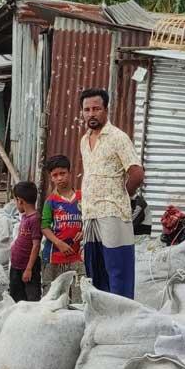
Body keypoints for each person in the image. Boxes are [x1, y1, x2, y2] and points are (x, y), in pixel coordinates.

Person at [75, 88, 144, 299]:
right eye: (87, 109)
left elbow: (136, 172)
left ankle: (123, 318)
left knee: (118, 269)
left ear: (106, 110)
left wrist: (124, 196)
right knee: (95, 270)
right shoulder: (85, 140)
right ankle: (104, 316)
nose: (91, 114)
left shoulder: (117, 138)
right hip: (90, 213)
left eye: (96, 108)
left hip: (113, 212)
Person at [40, 154, 84, 292]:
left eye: (63, 173)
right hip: (54, 257)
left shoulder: (82, 197)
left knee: (78, 294)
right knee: (53, 296)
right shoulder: (50, 201)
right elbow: (44, 227)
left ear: (70, 173)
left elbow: (90, 220)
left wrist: (84, 231)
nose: (59, 178)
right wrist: (59, 243)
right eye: (55, 175)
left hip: (77, 256)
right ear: (51, 177)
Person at [8, 180, 44, 302]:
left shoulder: (34, 219)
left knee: (31, 299)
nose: (16, 204)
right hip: (16, 265)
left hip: (28, 268)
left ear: (20, 201)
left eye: (15, 201)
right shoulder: (25, 217)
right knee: (16, 297)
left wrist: (28, 269)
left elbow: (36, 245)